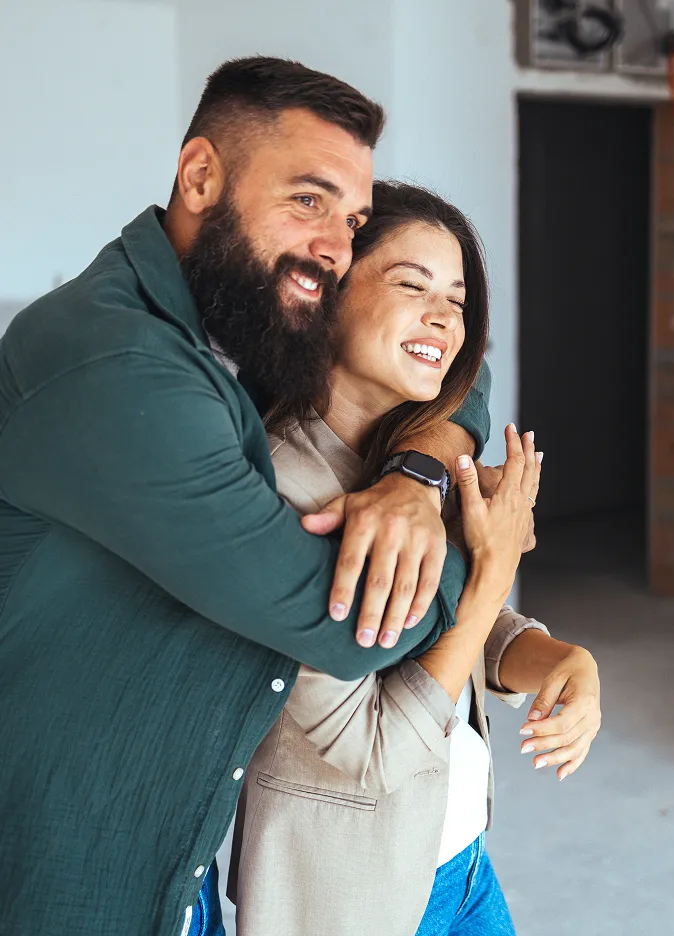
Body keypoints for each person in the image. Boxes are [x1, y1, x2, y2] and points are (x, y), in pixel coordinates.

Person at [0, 59, 493, 935]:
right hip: (72, 856)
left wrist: (416, 479)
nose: (334, 247)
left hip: (178, 836)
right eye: (308, 201)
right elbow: (341, 621)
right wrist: (483, 537)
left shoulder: (241, 316)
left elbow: (458, 368)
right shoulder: (121, 363)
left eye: (352, 221)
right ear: (200, 176)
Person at [220, 183, 602, 936]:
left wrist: (559, 660)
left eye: (457, 299)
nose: (444, 318)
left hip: (459, 863)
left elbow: (447, 617)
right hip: (356, 905)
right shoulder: (282, 492)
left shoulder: (415, 464)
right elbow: (370, 749)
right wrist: (491, 571)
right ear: (323, 301)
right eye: (411, 284)